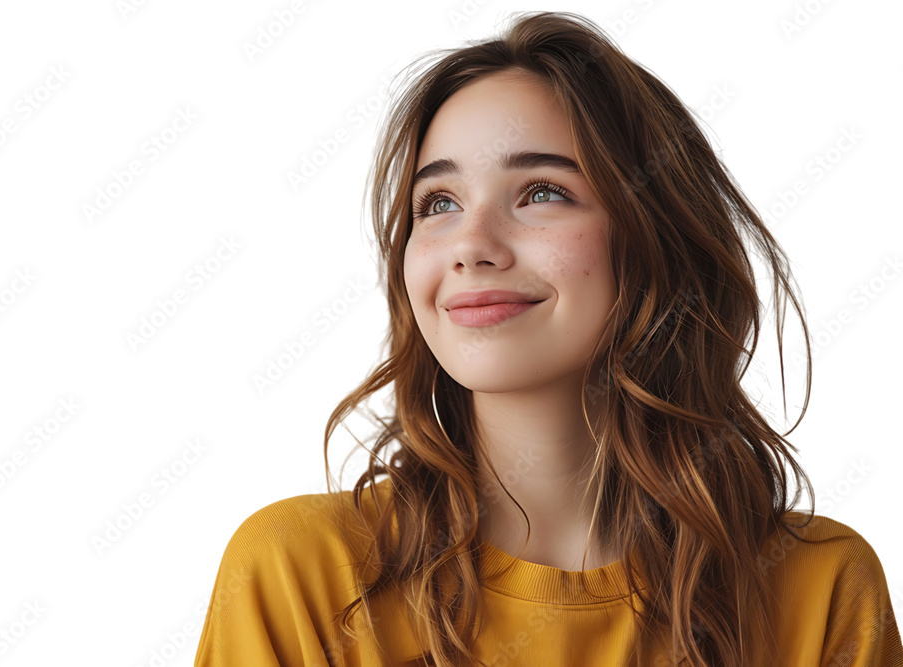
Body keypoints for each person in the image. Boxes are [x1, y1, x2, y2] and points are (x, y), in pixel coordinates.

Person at [194, 11, 902, 666]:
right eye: (438, 203)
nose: (471, 245)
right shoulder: (298, 571)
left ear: (654, 237)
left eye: (541, 192)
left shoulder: (821, 587)